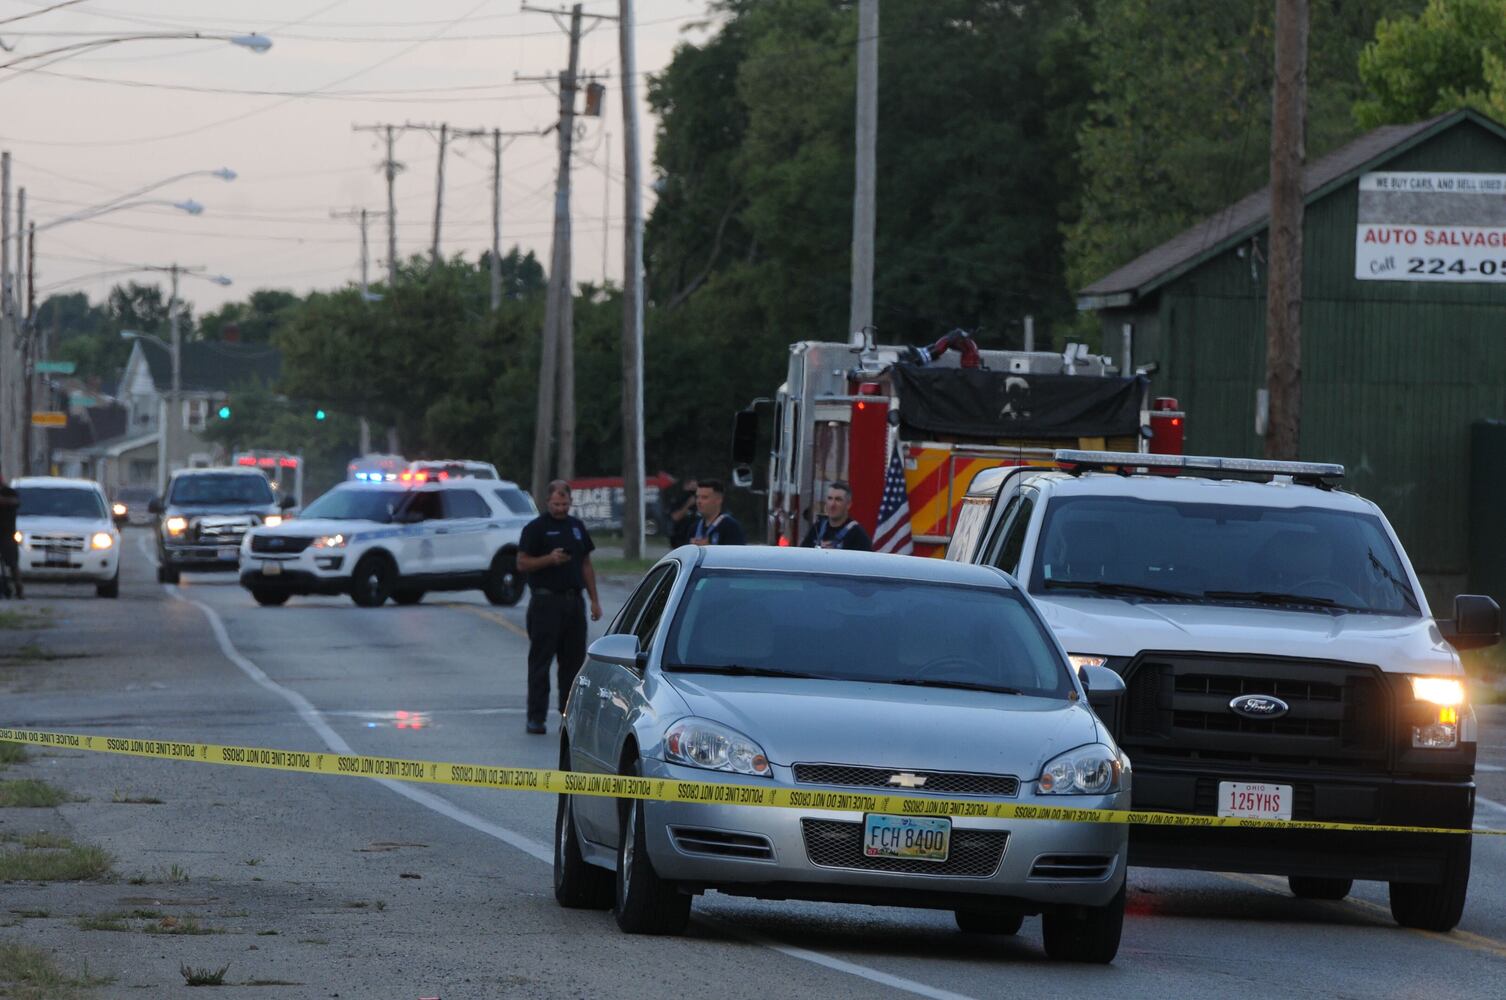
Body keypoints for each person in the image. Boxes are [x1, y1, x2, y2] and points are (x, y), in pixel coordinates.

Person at [516, 480, 603, 734]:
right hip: (545, 603)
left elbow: (586, 563)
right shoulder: (535, 528)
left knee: (573, 664)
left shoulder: (576, 527)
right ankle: (536, 718)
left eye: (564, 504)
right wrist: (549, 559)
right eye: (556, 504)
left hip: (573, 602)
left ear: (570, 502)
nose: (560, 508)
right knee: (540, 662)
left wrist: (594, 600)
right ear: (547, 502)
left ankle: (569, 716)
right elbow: (522, 563)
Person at [800, 481, 871, 551]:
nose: (832, 504)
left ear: (848, 505)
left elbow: (865, 561)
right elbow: (802, 554)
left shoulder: (857, 534)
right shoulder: (817, 528)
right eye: (830, 498)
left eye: (838, 499)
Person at [690, 479, 745, 545]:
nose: (699, 501)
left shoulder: (731, 527)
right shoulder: (694, 528)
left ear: (718, 500)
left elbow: (736, 554)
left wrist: (709, 549)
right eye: (697, 497)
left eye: (704, 497)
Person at [0, 474, 20, 599]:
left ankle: (19, 589)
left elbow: (16, 502)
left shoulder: (9, 492)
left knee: (12, 564)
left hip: (7, 534)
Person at [666, 476, 699, 548]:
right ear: (685, 486)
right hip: (681, 536)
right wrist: (688, 505)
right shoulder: (679, 499)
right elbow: (675, 517)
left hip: (696, 537)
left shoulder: (700, 500)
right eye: (692, 487)